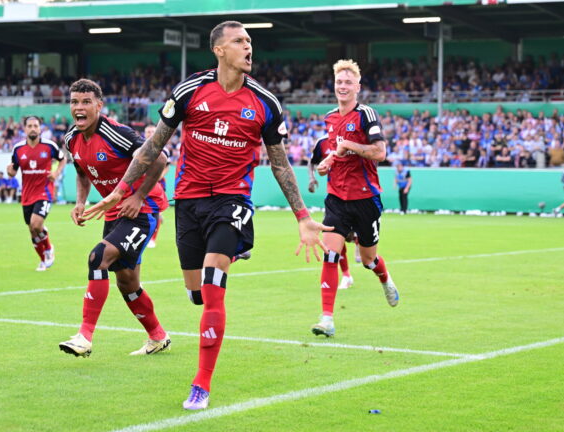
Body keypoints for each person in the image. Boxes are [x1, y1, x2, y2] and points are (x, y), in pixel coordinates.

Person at [80, 21, 330, 410]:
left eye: (250, 41)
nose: (249, 48)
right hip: (189, 203)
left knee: (214, 284)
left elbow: (280, 164)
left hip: (231, 201)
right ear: (219, 50)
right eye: (240, 42)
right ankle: (230, 250)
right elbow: (151, 148)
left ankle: (201, 384)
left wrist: (301, 215)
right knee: (196, 295)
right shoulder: (190, 91)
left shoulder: (266, 102)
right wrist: (118, 192)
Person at [58, 78, 171, 359]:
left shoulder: (116, 133)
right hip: (114, 212)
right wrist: (81, 202)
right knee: (127, 283)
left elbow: (159, 158)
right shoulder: (72, 138)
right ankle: (158, 337)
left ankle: (84, 336)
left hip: (141, 211)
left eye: (86, 102)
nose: (79, 107)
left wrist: (138, 196)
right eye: (74, 102)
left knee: (98, 257)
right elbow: (83, 172)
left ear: (99, 105)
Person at [310, 59, 399, 339]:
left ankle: (384, 278)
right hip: (336, 197)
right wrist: (327, 164)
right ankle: (327, 319)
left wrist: (350, 146)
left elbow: (380, 153)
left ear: (358, 87)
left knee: (368, 259)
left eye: (348, 82)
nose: (343, 86)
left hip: (365, 198)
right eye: (339, 82)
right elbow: (335, 154)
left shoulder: (366, 115)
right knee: (330, 254)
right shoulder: (330, 118)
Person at [7, 116, 66, 271]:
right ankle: (42, 260)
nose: (33, 128)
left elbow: (63, 159)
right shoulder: (18, 149)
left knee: (36, 224)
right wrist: (10, 171)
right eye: (29, 126)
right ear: (25, 129)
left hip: (44, 192)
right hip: (27, 195)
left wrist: (56, 173)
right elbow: (13, 169)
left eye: (35, 126)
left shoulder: (49, 146)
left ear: (40, 128)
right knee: (32, 229)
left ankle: (48, 249)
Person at [308, 135, 355, 289]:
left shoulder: (352, 138)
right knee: (335, 238)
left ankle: (360, 242)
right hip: (335, 199)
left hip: (356, 196)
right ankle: (346, 275)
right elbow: (312, 162)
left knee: (351, 241)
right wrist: (312, 178)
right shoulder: (322, 142)